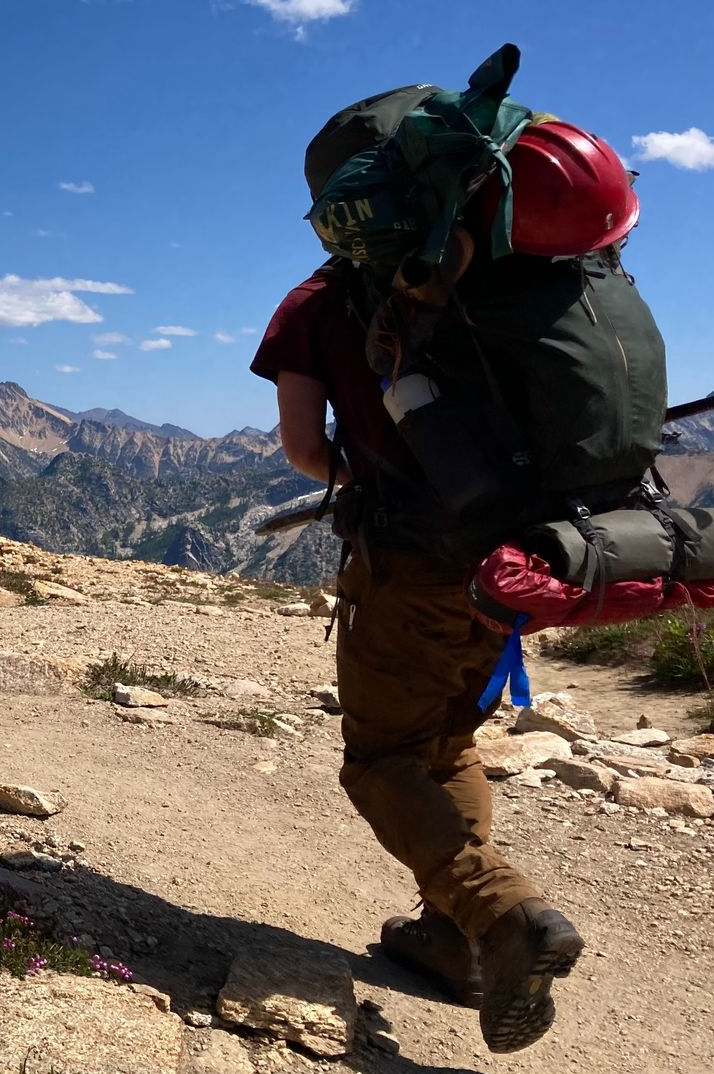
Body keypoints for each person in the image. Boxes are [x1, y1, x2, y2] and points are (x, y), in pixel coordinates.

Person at [250, 115, 638, 1050]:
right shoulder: (519, 279)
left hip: (411, 561)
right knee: (450, 743)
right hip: (525, 560)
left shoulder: (318, 303)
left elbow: (307, 451)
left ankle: (505, 918)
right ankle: (450, 939)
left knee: (382, 757)